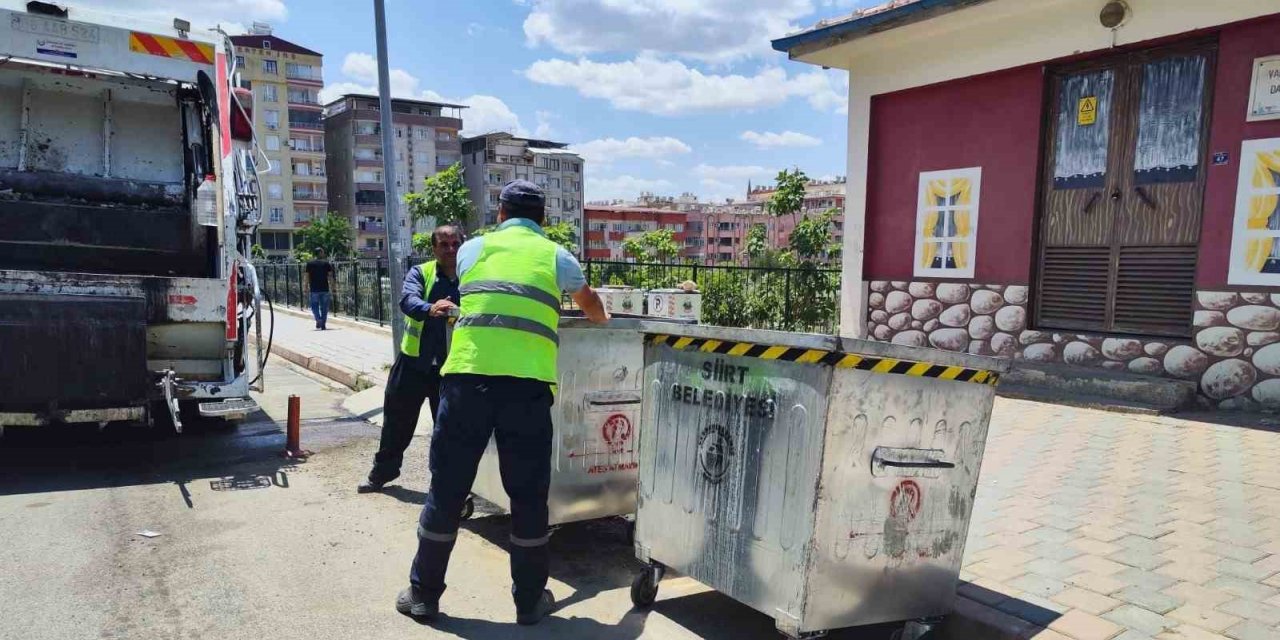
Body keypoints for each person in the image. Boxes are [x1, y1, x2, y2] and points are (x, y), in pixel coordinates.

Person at [396, 181, 609, 626]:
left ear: (499, 214)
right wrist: (596, 312)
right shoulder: (557, 257)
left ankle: (423, 594)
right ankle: (529, 601)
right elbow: (592, 309)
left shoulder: (472, 250)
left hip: (466, 380)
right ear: (543, 219)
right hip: (526, 390)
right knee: (529, 498)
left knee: (448, 488)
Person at [358, 225, 463, 493]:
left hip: (450, 369)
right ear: (434, 248)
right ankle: (381, 474)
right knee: (396, 424)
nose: (451, 249)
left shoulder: (470, 277)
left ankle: (445, 487)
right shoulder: (422, 272)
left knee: (448, 432)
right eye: (444, 244)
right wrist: (430, 308)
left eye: (455, 244)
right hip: (413, 364)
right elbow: (408, 301)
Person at [305, 248, 335, 330]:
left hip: (314, 289)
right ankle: (323, 323)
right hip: (324, 288)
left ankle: (318, 320)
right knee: (324, 307)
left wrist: (305, 287)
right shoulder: (326, 263)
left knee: (314, 306)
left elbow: (307, 276)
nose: (323, 254)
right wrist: (333, 287)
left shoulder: (310, 264)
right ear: (320, 253)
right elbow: (330, 276)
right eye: (323, 252)